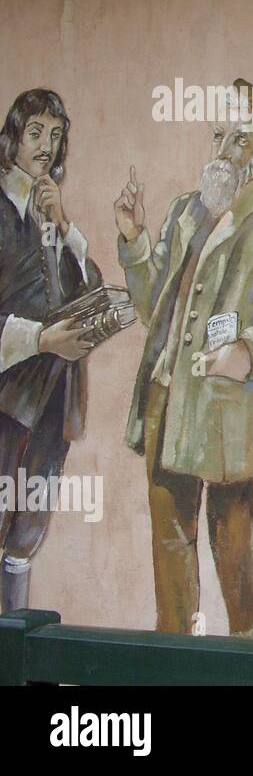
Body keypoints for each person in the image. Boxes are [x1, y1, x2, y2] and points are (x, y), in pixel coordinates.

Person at [115, 80, 253, 637]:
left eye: (240, 137)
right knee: (169, 538)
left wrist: (251, 346)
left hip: (230, 404)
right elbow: (152, 304)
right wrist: (134, 241)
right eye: (219, 134)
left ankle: (247, 658)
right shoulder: (188, 208)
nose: (226, 148)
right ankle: (172, 656)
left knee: (233, 539)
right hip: (166, 395)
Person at [0, 88, 102, 612]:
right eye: (36, 133)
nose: (46, 147)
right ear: (13, 137)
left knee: (26, 532)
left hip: (55, 398)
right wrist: (40, 339)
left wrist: (64, 224)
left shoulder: (49, 211)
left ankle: (13, 650)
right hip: (6, 396)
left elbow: (92, 288)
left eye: (55, 137)